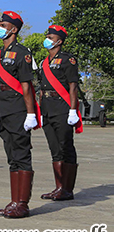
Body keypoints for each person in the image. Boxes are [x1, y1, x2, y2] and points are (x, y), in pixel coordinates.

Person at [0, 11, 38, 219]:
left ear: (14, 29)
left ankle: (23, 204)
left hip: (18, 109)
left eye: (3, 24)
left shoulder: (22, 53)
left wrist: (31, 114)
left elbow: (27, 86)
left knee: (21, 154)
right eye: (0, 24)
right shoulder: (0, 54)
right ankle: (14, 201)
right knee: (11, 156)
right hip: (4, 109)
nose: (0, 27)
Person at [38, 25, 81, 201]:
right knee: (54, 149)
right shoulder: (43, 62)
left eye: (51, 37)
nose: (47, 39)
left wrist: (73, 110)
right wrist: (40, 111)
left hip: (62, 107)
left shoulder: (67, 60)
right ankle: (58, 188)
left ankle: (67, 189)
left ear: (59, 41)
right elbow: (41, 89)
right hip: (47, 107)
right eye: (47, 36)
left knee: (66, 147)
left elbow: (73, 86)